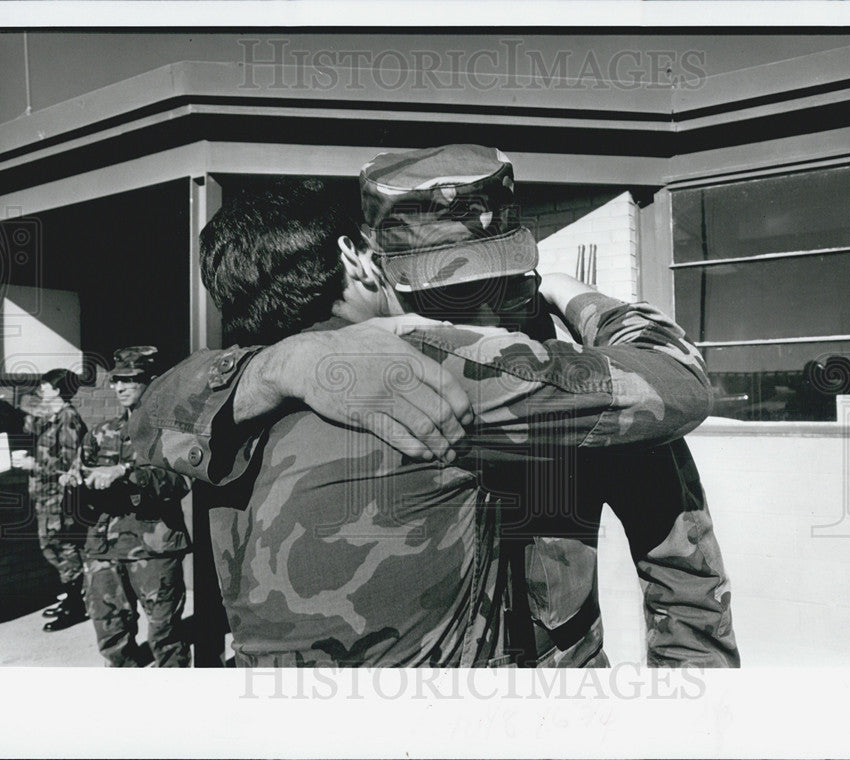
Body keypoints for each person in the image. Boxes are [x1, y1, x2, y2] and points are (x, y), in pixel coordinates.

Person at [130, 150, 714, 666]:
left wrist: (286, 364)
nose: (471, 309)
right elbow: (681, 382)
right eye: (437, 286)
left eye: (494, 278)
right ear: (364, 261)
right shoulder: (434, 359)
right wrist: (574, 293)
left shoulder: (229, 396)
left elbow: (681, 566)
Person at [62, 347, 192, 666]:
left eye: (129, 380)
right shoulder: (101, 432)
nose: (119, 387)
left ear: (151, 381)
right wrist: (74, 479)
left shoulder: (171, 430)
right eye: (116, 380)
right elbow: (83, 472)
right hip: (103, 547)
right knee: (111, 636)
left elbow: (180, 481)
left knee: (166, 637)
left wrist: (126, 473)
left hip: (152, 548)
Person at [13, 368, 88, 632]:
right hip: (46, 498)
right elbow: (28, 423)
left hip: (60, 499)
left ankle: (76, 605)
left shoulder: (68, 419)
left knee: (62, 548)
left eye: (44, 386)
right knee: (51, 547)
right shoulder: (54, 417)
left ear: (57, 390)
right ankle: (73, 597)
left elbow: (71, 465)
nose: (41, 390)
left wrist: (34, 463)